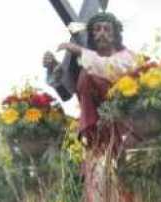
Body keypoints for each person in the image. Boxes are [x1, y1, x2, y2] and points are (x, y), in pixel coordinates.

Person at [43, 11, 136, 147]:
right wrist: (54, 68)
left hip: (123, 123)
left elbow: (109, 68)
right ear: (92, 35)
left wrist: (79, 50)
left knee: (87, 73)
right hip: (96, 127)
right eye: (97, 29)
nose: (102, 33)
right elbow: (69, 89)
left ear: (115, 34)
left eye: (107, 29)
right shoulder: (88, 61)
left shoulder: (127, 56)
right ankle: (91, 133)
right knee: (84, 75)